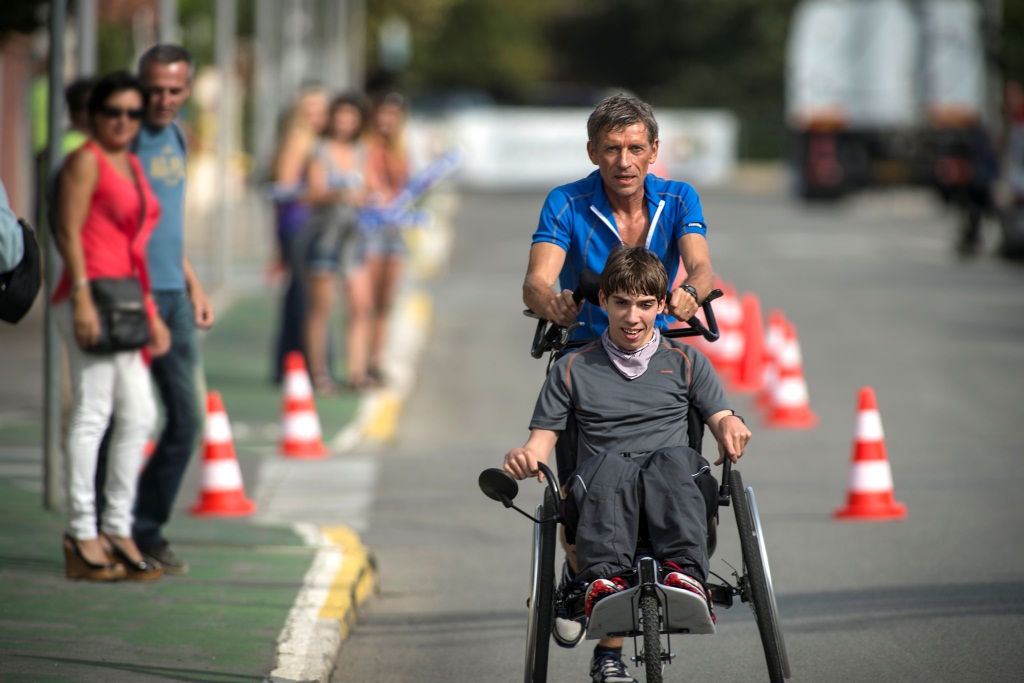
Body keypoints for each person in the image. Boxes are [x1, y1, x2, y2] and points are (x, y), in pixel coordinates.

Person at [522, 93, 722, 647]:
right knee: (593, 482)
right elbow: (537, 280)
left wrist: (688, 292)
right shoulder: (565, 202)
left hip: (654, 349)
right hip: (587, 354)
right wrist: (551, 303)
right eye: (611, 149)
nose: (624, 161)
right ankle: (582, 567)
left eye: (636, 148)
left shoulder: (679, 197)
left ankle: (673, 565)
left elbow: (702, 267)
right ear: (593, 152)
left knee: (670, 467)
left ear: (654, 150)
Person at [504, 246, 751, 683]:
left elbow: (719, 417)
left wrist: (732, 425)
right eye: (621, 302)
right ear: (604, 302)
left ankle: (685, 576)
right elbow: (539, 445)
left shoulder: (688, 362)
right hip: (603, 488)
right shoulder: (571, 367)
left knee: (673, 461)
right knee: (610, 467)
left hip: (673, 484)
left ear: (660, 306)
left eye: (644, 304)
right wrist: (525, 458)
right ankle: (606, 585)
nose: (632, 316)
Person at [52, 71, 170, 582]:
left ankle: (118, 527)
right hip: (90, 299)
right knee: (93, 414)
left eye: (132, 114)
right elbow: (67, 231)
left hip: (126, 302)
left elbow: (135, 244)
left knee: (140, 414)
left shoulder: (133, 164)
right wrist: (81, 295)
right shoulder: (86, 161)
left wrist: (150, 307)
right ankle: (82, 533)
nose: (123, 121)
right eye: (112, 112)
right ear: (93, 116)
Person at [128, 44, 214, 574]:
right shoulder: (124, 135)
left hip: (174, 295)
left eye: (174, 89)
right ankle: (107, 532)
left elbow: (167, 227)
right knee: (122, 419)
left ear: (187, 90)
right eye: (154, 88)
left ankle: (146, 529)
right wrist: (143, 303)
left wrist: (194, 287)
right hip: (129, 295)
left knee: (186, 419)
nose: (163, 98)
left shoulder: (179, 136)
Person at [300, 92, 375, 393]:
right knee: (322, 306)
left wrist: (370, 196)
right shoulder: (319, 151)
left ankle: (357, 371)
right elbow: (313, 192)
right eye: (340, 116)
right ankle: (318, 372)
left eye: (351, 116)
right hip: (325, 236)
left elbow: (372, 186)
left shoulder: (361, 151)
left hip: (353, 236)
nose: (345, 122)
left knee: (360, 304)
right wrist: (341, 192)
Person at [269, 84, 330, 384]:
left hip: (312, 224)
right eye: (311, 110)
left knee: (304, 296)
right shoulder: (299, 139)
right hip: (299, 224)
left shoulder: (321, 141)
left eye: (321, 110)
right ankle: (295, 363)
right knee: (304, 298)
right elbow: (285, 185)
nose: (317, 116)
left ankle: (295, 364)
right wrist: (323, 193)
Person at [362, 92, 411, 385]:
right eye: (381, 115)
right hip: (370, 229)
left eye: (391, 116)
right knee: (366, 301)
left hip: (394, 229)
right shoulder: (366, 148)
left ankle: (377, 359)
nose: (385, 121)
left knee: (385, 301)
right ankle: (362, 359)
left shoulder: (400, 149)